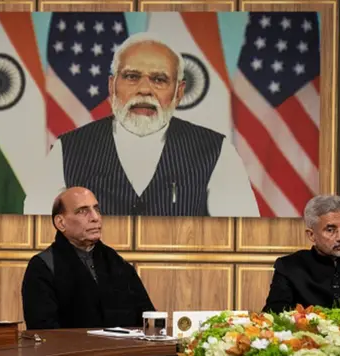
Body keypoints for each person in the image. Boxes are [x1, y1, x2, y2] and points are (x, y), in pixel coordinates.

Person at [24, 32, 259, 217]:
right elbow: (35, 230)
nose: (144, 90)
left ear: (178, 92)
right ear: (112, 85)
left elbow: (241, 238)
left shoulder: (216, 151)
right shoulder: (68, 148)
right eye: (132, 77)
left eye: (159, 79)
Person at [21, 187, 155, 329]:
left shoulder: (116, 263)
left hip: (122, 349)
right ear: (61, 223)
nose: (95, 217)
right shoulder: (43, 267)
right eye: (83, 211)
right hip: (72, 350)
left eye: (96, 209)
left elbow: (147, 315)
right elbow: (43, 330)